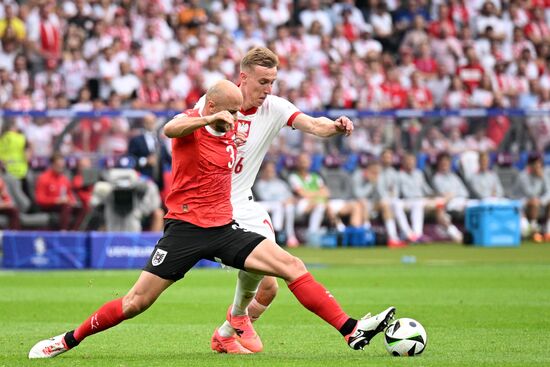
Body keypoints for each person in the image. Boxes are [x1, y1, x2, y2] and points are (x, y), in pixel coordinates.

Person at [28, 80, 395, 359]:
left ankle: (350, 330)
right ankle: (64, 341)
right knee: (135, 303)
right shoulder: (192, 124)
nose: (236, 119)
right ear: (214, 105)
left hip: (224, 228)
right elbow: (169, 128)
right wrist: (207, 118)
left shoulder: (235, 131)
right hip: (184, 231)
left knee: (290, 265)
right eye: (231, 111)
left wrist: (329, 128)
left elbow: (304, 124)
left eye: (239, 112)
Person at [193, 47, 355, 354]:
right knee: (270, 277)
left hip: (246, 204)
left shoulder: (275, 108)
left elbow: (312, 124)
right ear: (243, 77)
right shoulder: (215, 103)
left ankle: (227, 332)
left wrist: (334, 126)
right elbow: (190, 137)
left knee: (270, 288)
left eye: (273, 82)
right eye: (263, 82)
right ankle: (236, 319)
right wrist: (222, 132)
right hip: (213, 207)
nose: (268, 90)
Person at [253, 161, 298, 247]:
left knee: (289, 207)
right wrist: (283, 201)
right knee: (278, 206)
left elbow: (290, 196)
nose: (271, 172)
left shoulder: (280, 183)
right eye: (268, 170)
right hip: (264, 204)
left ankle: (290, 236)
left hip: (284, 205)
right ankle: (277, 233)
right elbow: (265, 197)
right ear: (263, 171)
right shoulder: (260, 184)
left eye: (272, 170)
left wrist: (288, 201)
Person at [513, 154, 550, 242]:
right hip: (523, 204)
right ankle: (534, 232)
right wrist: (539, 178)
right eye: (536, 164)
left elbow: (549, 192)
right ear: (530, 166)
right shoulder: (523, 176)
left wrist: (541, 201)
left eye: (539, 164)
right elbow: (531, 194)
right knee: (534, 204)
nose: (538, 166)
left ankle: (548, 231)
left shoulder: (543, 175)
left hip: (538, 203)